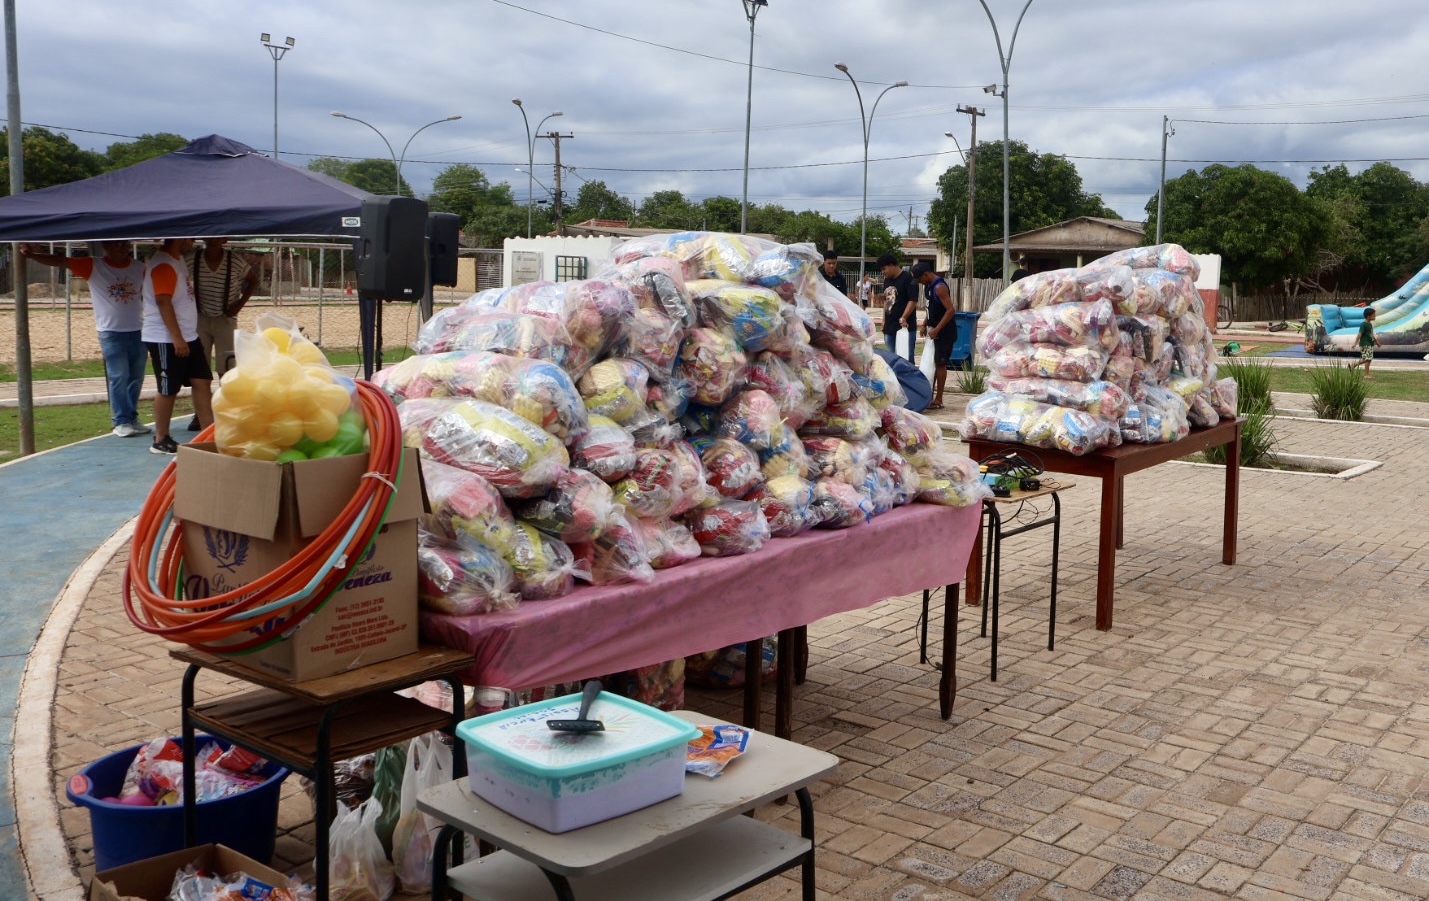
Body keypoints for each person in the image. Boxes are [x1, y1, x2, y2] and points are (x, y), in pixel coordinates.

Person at [19, 241, 151, 438]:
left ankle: (132, 417)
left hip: (138, 329)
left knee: (136, 377)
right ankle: (121, 420)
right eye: (118, 245)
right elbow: (61, 261)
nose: (123, 249)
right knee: (118, 376)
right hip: (111, 331)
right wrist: (31, 256)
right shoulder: (94, 265)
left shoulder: (139, 268)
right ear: (107, 247)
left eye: (126, 245)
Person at [142, 238, 213, 454]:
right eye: (190, 238)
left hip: (188, 335)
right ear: (180, 239)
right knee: (168, 388)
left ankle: (210, 433)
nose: (193, 242)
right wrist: (177, 337)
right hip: (166, 337)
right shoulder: (163, 263)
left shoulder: (177, 259)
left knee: (202, 380)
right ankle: (160, 439)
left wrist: (185, 336)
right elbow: (163, 301)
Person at [187, 238, 257, 429]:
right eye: (210, 236)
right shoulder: (193, 259)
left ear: (224, 239)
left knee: (226, 367)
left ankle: (227, 411)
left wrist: (239, 304)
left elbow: (253, 280)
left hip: (226, 318)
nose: (214, 240)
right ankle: (201, 414)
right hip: (199, 318)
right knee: (200, 369)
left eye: (218, 236)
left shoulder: (234, 261)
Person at [914, 261, 956, 410]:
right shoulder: (928, 287)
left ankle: (939, 399)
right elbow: (929, 308)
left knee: (940, 363)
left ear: (926, 274)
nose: (919, 282)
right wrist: (925, 323)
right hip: (933, 330)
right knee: (930, 363)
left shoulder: (939, 287)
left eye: (919, 279)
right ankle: (928, 396)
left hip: (944, 332)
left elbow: (950, 310)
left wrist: (937, 329)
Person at [878, 253, 917, 365]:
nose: (883, 272)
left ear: (892, 265)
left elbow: (913, 300)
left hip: (905, 326)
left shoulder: (908, 278)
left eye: (884, 269)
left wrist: (904, 317)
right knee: (891, 358)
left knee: (906, 359)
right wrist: (883, 320)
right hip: (890, 325)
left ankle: (908, 382)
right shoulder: (887, 280)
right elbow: (886, 300)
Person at [1346, 308, 1382, 379]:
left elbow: (1371, 334)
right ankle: (1354, 366)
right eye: (1373, 315)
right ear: (1368, 316)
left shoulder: (1369, 324)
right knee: (1368, 358)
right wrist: (1355, 343)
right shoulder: (1364, 324)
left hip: (1369, 343)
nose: (1375, 316)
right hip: (1365, 344)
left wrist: (1376, 342)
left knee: (1368, 359)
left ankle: (1366, 374)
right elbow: (1360, 334)